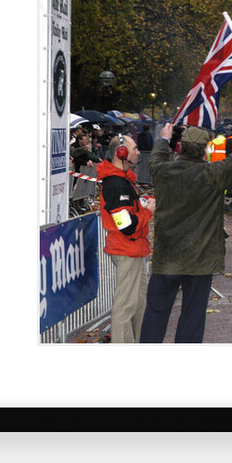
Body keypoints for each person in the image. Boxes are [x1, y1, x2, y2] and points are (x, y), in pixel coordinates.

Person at [140, 108, 232, 343]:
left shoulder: (162, 172)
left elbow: (155, 159)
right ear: (205, 150)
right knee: (192, 317)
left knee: (156, 312)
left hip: (167, 257)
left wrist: (163, 139)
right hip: (200, 258)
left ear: (180, 148)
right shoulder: (213, 174)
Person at [96, 135, 155, 343]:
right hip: (126, 249)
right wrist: (148, 212)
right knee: (125, 307)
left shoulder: (122, 180)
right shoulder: (116, 184)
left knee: (139, 304)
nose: (138, 152)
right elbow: (126, 225)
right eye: (135, 148)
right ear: (121, 152)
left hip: (134, 250)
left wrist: (142, 207)